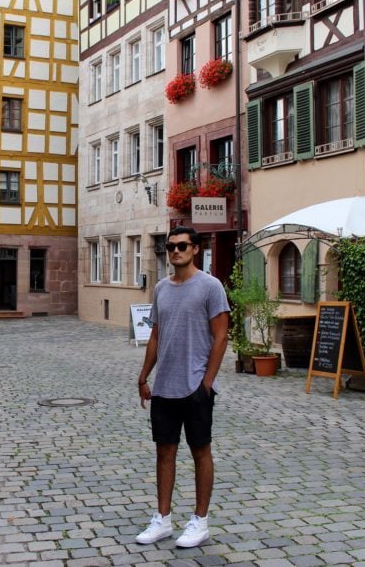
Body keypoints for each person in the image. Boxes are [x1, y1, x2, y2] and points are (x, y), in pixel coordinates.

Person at [136, 226, 230, 548]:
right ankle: (162, 520)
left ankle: (200, 522)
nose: (175, 251)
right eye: (170, 246)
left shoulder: (210, 287)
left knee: (200, 451)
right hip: (164, 387)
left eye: (181, 246)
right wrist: (143, 376)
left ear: (194, 249)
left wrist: (206, 383)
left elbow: (221, 336)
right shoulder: (161, 288)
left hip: (195, 387)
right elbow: (156, 336)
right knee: (165, 452)